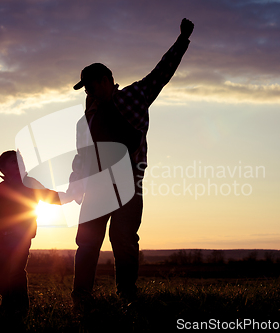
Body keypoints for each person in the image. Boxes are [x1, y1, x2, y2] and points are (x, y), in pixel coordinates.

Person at [68, 18, 194, 311]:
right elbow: (80, 156)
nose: (88, 93)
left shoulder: (134, 97)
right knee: (86, 242)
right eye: (85, 90)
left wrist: (182, 40)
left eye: (91, 87)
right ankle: (81, 297)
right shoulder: (86, 118)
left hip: (128, 185)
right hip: (97, 188)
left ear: (106, 81)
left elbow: (161, 73)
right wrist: (76, 184)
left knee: (123, 241)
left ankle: (126, 296)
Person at [0, 150, 62, 318]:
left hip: (22, 236)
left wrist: (69, 196)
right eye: (13, 162)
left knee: (16, 270)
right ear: (3, 169)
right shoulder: (3, 186)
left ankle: (20, 307)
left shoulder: (31, 183)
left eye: (20, 161)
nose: (18, 164)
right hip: (3, 236)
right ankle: (8, 302)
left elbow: (47, 195)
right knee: (0, 272)